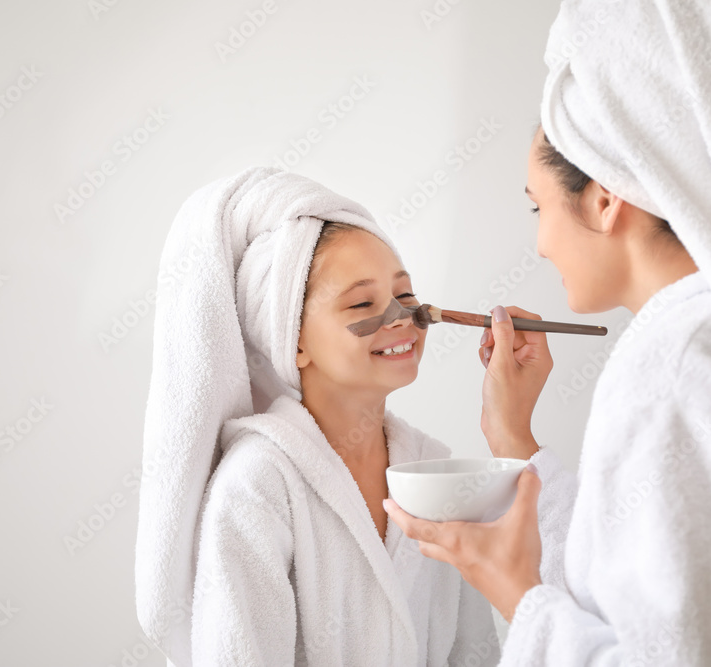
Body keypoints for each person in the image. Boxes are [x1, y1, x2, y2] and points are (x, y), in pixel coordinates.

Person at [385, 1, 711, 665]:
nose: (539, 243)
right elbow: (645, 585)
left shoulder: (677, 369)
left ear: (605, 198)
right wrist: (514, 439)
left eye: (538, 206)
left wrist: (515, 591)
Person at [136, 166, 499, 666]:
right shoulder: (258, 486)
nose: (400, 317)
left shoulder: (436, 472)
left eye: (407, 295)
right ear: (296, 340)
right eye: (361, 303)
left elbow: (475, 651)